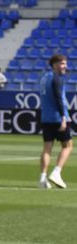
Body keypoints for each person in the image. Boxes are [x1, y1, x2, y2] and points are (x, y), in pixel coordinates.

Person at [39, 54, 71, 189]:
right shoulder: (57, 79)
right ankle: (57, 172)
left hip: (45, 117)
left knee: (47, 148)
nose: (65, 66)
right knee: (68, 146)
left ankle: (42, 178)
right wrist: (64, 117)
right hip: (58, 117)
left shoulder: (44, 77)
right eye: (63, 64)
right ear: (55, 65)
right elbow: (58, 98)